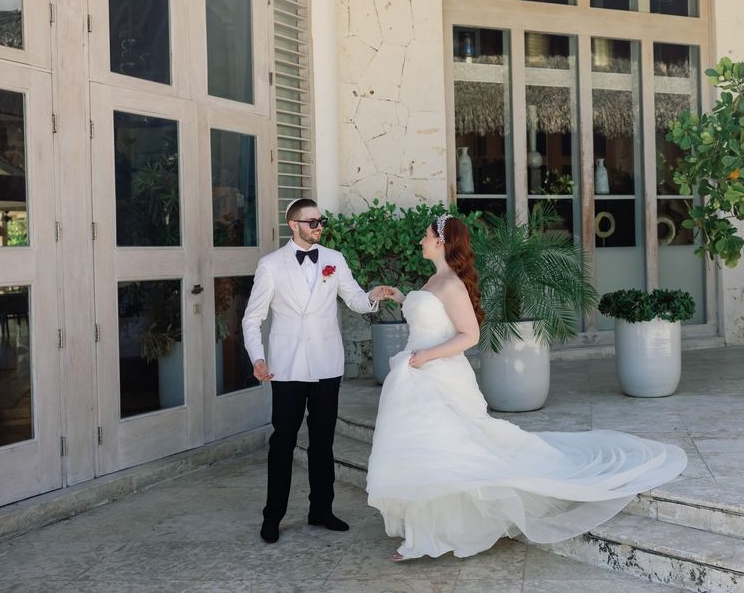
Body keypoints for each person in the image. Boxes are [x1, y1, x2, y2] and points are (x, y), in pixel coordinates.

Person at [366, 214, 688, 561]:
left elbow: (470, 335)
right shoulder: (434, 279)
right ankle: (422, 533)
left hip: (436, 371)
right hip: (417, 374)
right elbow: (430, 318)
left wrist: (427, 355)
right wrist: (400, 297)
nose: (421, 241)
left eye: (426, 235)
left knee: (449, 449)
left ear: (441, 242)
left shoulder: (453, 284)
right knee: (426, 451)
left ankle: (432, 535)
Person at [242, 198, 392, 544]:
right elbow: (252, 318)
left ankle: (321, 510)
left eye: (321, 220)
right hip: (287, 366)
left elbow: (354, 299)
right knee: (283, 442)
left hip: (326, 363)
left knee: (323, 441)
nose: (319, 226)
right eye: (312, 222)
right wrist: (258, 358)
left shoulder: (334, 259)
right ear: (293, 225)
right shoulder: (271, 265)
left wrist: (372, 296)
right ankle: (272, 517)